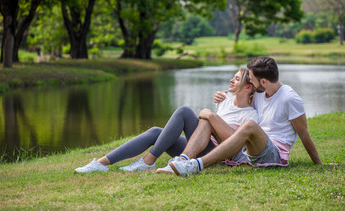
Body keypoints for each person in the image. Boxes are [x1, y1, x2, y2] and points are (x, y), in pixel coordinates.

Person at [74, 68, 258, 173]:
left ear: (249, 87)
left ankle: (148, 161)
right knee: (156, 131)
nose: (230, 80)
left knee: (185, 111)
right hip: (201, 144)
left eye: (236, 79)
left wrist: (210, 116)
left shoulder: (250, 115)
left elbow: (235, 145)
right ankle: (101, 163)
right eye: (232, 77)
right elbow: (205, 127)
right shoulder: (224, 100)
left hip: (216, 154)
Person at [169, 56, 323, 176]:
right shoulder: (260, 93)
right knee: (211, 119)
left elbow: (304, 134)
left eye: (252, 79)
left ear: (263, 81)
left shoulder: (289, 98)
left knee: (249, 124)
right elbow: (240, 95)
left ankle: (196, 165)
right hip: (251, 150)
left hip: (273, 153)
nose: (250, 82)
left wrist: (318, 164)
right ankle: (184, 159)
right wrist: (221, 96)